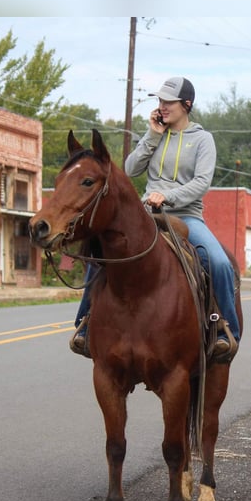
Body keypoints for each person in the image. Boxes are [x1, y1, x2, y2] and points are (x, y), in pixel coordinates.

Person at [70, 76, 240, 360]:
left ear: (186, 104)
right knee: (102, 254)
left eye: (168, 102)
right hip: (146, 215)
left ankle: (226, 331)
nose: (162, 106)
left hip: (187, 216)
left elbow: (201, 183)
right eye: (159, 101)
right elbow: (129, 168)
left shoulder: (202, 140)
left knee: (220, 262)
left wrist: (169, 196)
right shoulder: (154, 135)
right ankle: (85, 324)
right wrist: (152, 135)